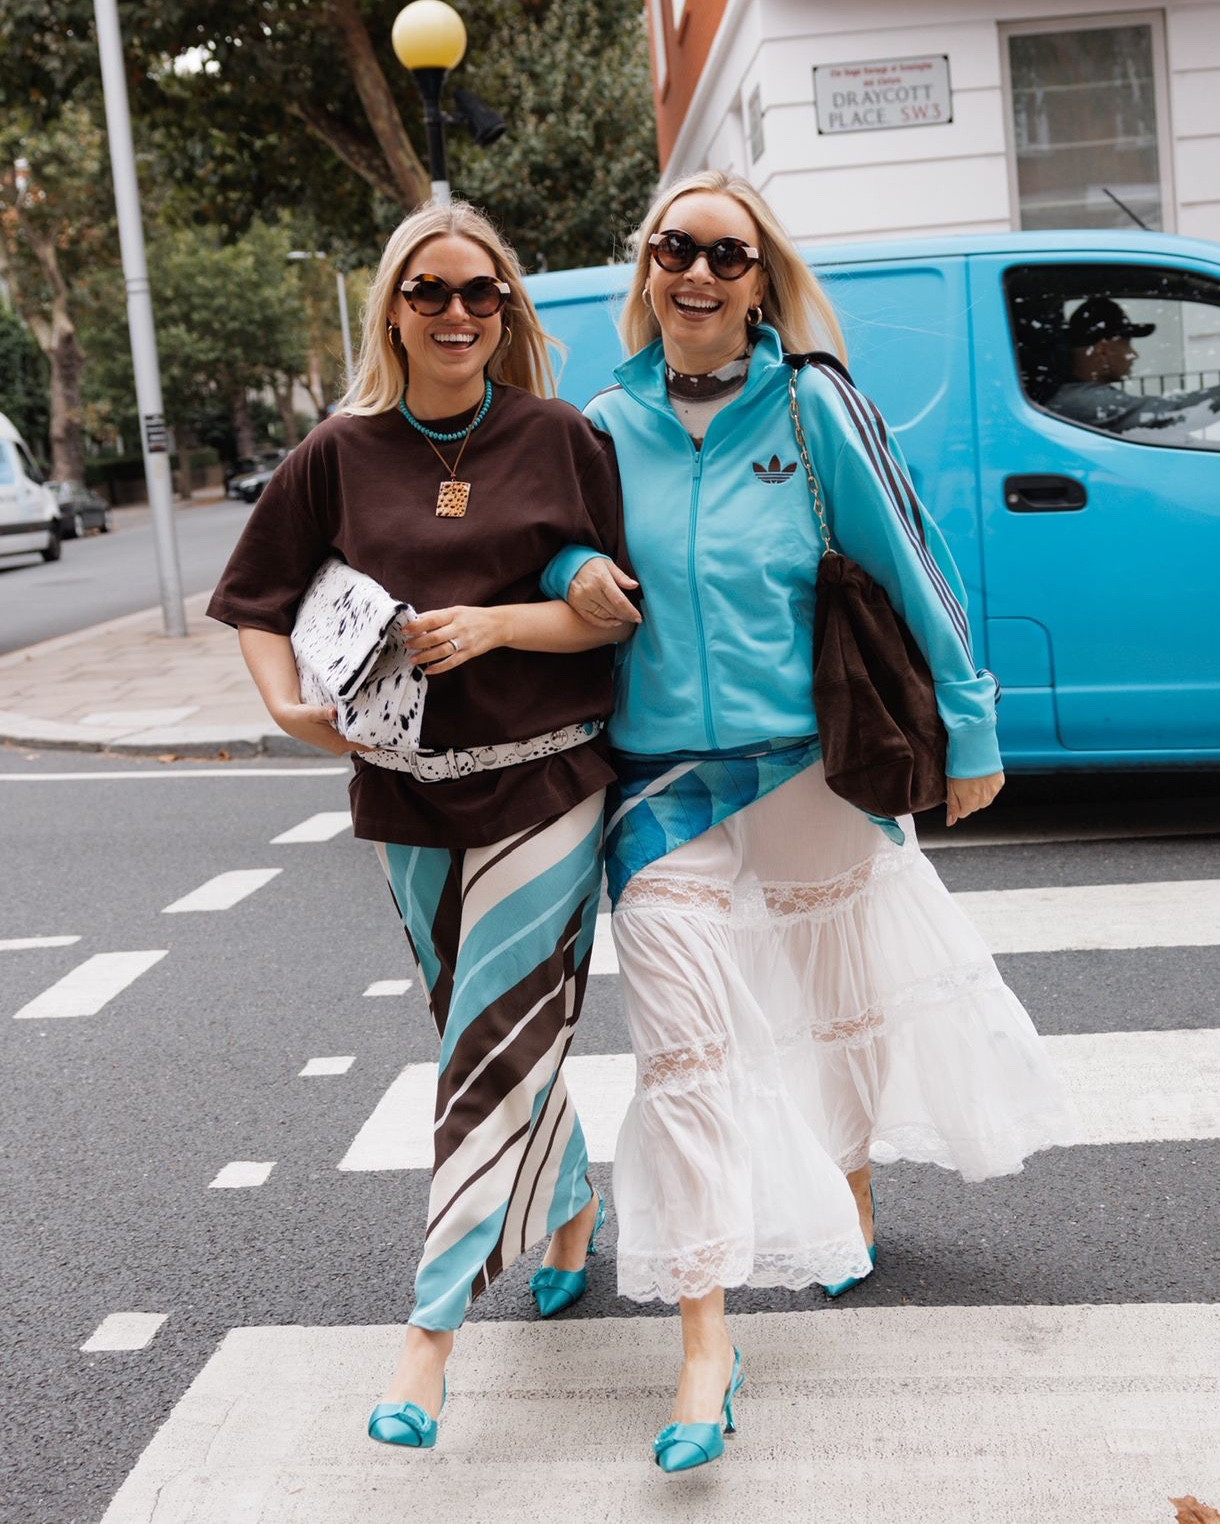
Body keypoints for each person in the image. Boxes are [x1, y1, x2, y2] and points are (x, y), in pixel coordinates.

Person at [542, 170, 1078, 1473]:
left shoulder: (813, 404)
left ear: (760, 276)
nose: (699, 274)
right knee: (687, 1060)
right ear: (649, 267)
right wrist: (574, 572)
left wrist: (974, 726)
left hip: (808, 767)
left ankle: (846, 1186)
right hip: (663, 792)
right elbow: (539, 549)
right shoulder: (601, 425)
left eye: (727, 255)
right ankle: (704, 1354)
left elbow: (911, 553)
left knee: (843, 1005)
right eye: (676, 248)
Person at [207, 200, 634, 1449]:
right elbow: (256, 596)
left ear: (507, 310)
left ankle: (426, 1341)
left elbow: (613, 612)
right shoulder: (336, 453)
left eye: (481, 293)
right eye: (431, 292)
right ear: (393, 306)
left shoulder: (559, 436)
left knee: (489, 1042)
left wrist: (504, 621)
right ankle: (565, 1207)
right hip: (402, 793)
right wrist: (286, 706)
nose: (456, 314)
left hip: (549, 781)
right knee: (484, 1030)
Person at [1047, 295, 1220, 443]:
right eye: (1127, 344)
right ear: (1103, 350)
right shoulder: (1084, 402)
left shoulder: (1075, 397)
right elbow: (1176, 411)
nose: (1133, 354)